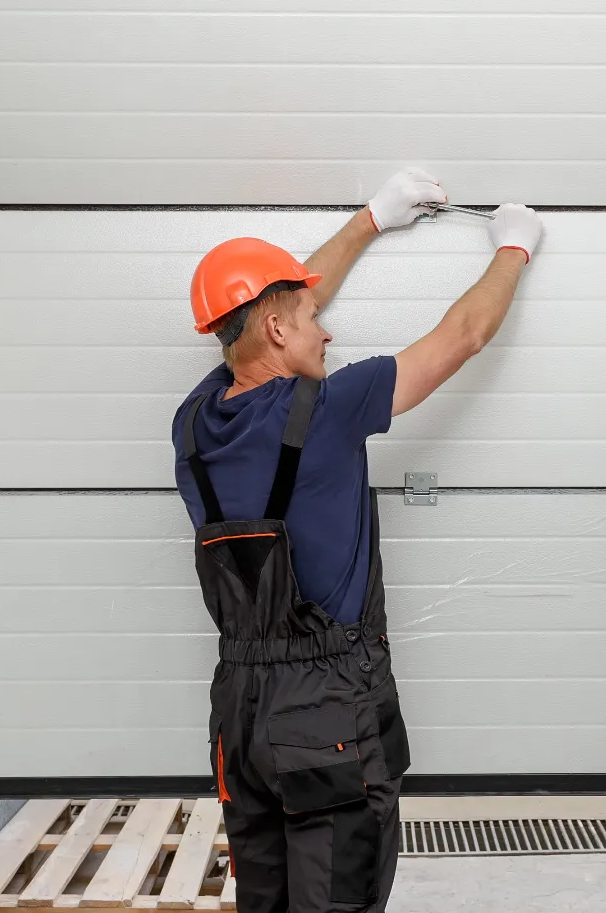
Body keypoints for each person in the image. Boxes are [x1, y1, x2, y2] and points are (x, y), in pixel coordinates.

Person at [173, 169, 543, 913]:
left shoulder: (195, 420)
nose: (328, 327)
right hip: (327, 710)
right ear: (278, 328)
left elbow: (268, 312)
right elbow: (465, 335)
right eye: (311, 317)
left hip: (241, 712)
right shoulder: (333, 407)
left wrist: (371, 220)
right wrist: (515, 247)